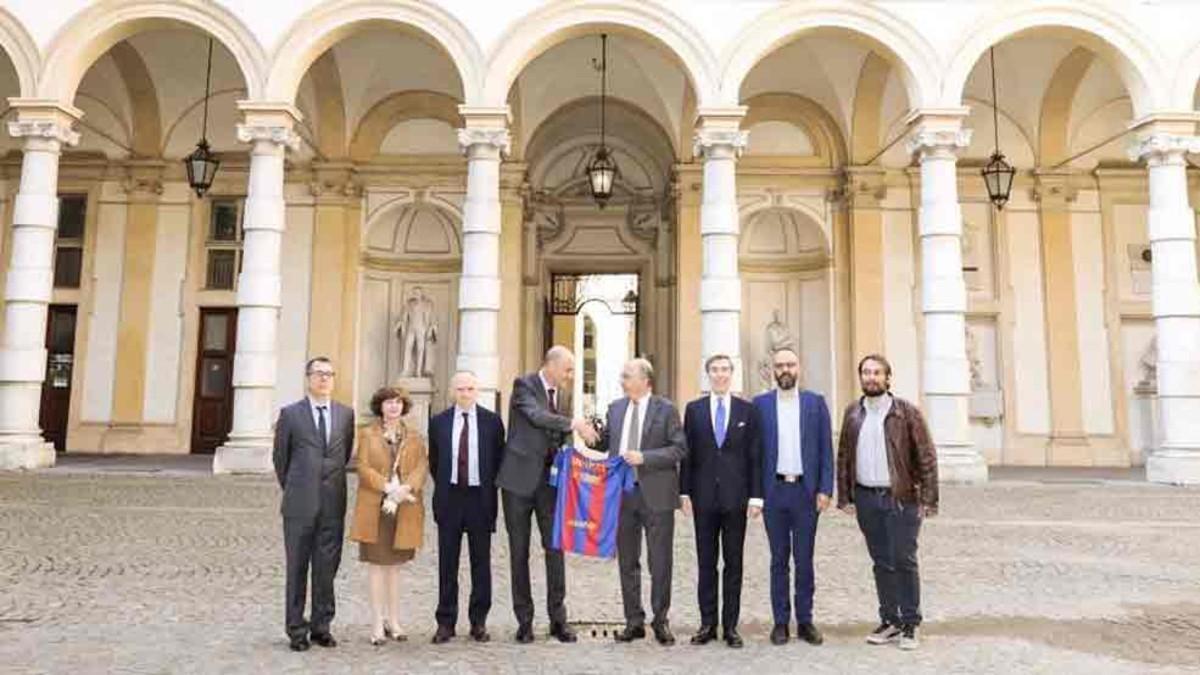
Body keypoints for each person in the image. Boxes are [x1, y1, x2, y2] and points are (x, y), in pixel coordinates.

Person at [496, 346, 598, 643]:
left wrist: (574, 452)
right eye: (567, 369)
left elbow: (559, 435)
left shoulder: (563, 394)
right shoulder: (524, 385)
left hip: (549, 485)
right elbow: (536, 416)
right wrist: (573, 424)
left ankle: (558, 619)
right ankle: (524, 621)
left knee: (555, 549)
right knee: (519, 552)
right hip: (517, 482)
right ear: (551, 365)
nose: (570, 375)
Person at [837, 354, 939, 651]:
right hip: (867, 497)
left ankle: (910, 623)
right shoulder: (853, 413)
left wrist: (929, 499)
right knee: (881, 561)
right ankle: (890, 620)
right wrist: (845, 495)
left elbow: (926, 456)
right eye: (866, 373)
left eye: (876, 373)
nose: (871, 378)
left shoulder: (906, 413)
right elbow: (844, 456)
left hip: (900, 498)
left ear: (887, 378)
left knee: (904, 560)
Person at [272, 357, 356, 651]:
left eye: (329, 374)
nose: (324, 379)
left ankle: (322, 625)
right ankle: (296, 628)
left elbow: (343, 455)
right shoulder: (291, 414)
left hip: (333, 503)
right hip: (299, 505)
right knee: (297, 568)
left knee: (326, 568)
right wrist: (297, 487)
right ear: (308, 378)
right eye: (318, 374)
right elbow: (280, 459)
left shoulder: (346, 415)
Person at [680, 354, 762, 648]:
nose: (720, 375)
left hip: (736, 500)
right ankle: (707, 624)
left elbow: (755, 457)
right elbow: (686, 455)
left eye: (724, 370)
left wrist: (756, 497)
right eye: (714, 370)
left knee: (733, 564)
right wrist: (684, 493)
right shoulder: (694, 410)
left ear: (732, 374)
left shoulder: (747, 411)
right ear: (707, 375)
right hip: (703, 500)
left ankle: (730, 626)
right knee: (706, 564)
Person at [752, 347, 833, 647]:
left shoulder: (815, 404)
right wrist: (756, 496)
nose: (785, 369)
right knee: (778, 560)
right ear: (772, 370)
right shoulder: (760, 405)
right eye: (779, 365)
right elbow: (755, 455)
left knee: (804, 559)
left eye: (790, 364)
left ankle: (806, 621)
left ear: (799, 368)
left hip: (805, 493)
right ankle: (780, 622)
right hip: (774, 492)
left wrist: (825, 488)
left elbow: (826, 449)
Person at [606, 358, 688, 646]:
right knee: (628, 561)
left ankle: (660, 620)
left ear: (645, 381)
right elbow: (607, 444)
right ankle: (633, 621)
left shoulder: (666, 409)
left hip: (657, 495)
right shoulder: (615, 409)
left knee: (660, 561)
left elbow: (679, 448)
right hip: (623, 496)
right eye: (623, 375)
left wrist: (645, 458)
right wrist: (585, 434)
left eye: (627, 376)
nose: (622, 380)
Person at [429, 371, 505, 644]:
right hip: (450, 498)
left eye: (470, 388)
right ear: (452, 391)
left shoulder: (492, 423)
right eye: (460, 388)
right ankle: (446, 622)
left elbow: (498, 459)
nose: (465, 393)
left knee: (480, 563)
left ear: (477, 390)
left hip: (479, 499)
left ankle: (478, 621)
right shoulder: (438, 422)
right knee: (447, 563)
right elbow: (434, 462)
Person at [349, 385, 428, 645]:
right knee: (376, 567)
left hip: (403, 508)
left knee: (395, 568)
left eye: (397, 402)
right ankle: (376, 624)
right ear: (379, 407)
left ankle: (394, 621)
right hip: (375, 508)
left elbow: (421, 466)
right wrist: (387, 487)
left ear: (403, 406)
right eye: (388, 402)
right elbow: (362, 466)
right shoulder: (367, 434)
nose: (393, 406)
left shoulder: (414, 436)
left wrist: (405, 488)